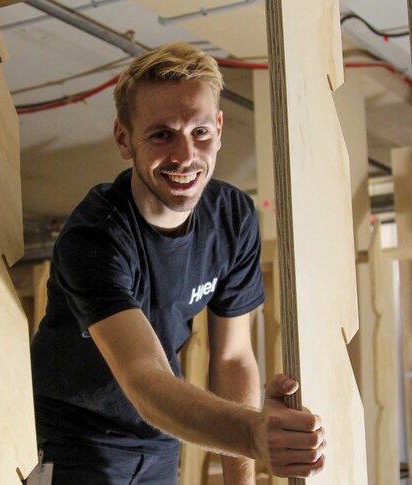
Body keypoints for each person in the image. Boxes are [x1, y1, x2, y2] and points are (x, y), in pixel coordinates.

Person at [30, 41, 326, 484]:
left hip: (160, 434)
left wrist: (241, 477)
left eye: (200, 132)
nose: (186, 156)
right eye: (162, 134)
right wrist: (253, 434)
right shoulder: (95, 236)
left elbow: (232, 359)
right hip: (72, 434)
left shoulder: (232, 217)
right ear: (123, 139)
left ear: (220, 129)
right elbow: (143, 377)